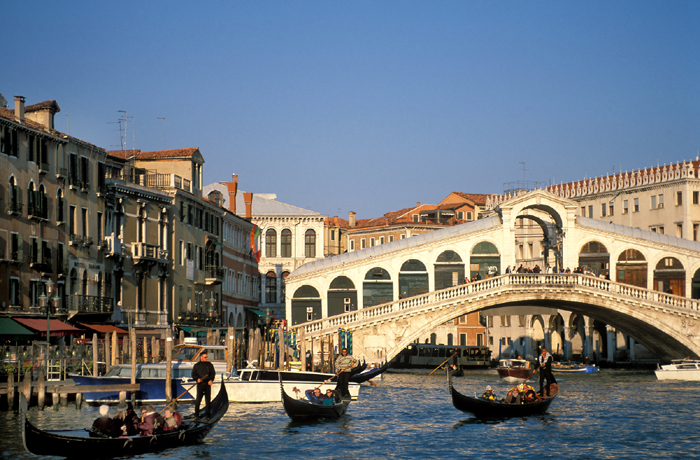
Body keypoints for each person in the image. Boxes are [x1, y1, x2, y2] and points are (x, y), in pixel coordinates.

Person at [192, 351, 216, 421]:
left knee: (208, 400)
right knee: (198, 400)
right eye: (205, 357)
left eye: (206, 357)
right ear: (201, 357)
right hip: (200, 384)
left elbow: (212, 373)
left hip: (207, 384)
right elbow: (193, 374)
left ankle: (207, 414)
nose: (206, 358)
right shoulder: (196, 366)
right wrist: (197, 379)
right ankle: (196, 414)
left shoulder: (209, 365)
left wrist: (211, 380)